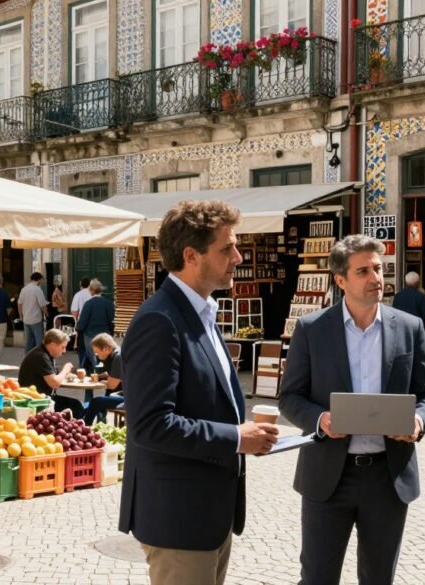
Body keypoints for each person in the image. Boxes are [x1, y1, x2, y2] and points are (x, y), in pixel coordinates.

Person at [119, 200, 278, 585]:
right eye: (227, 248)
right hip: (179, 521)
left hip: (209, 516)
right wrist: (236, 437)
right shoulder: (160, 319)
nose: (238, 257)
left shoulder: (201, 312)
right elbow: (151, 425)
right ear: (191, 255)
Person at [278, 234, 425, 585]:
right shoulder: (312, 329)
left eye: (379, 269)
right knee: (318, 577)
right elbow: (290, 397)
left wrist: (417, 421)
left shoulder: (409, 328)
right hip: (328, 477)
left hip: (388, 476)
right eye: (363, 271)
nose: (376, 278)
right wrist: (320, 420)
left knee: (379, 578)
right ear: (340, 280)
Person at [18, 328, 77, 415]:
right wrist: (65, 370)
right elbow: (54, 383)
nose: (64, 351)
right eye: (62, 347)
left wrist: (64, 376)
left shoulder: (45, 353)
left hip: (43, 398)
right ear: (53, 344)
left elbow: (52, 378)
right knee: (76, 407)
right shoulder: (41, 356)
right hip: (36, 403)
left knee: (76, 405)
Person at [82, 333, 124, 425]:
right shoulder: (114, 354)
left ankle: (85, 428)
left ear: (106, 349)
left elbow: (112, 385)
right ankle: (84, 424)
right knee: (84, 406)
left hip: (129, 399)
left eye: (97, 352)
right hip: (121, 394)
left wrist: (99, 381)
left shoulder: (118, 357)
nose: (96, 355)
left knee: (95, 402)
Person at [75, 279, 115, 371]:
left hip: (90, 335)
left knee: (94, 360)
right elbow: (111, 321)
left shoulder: (88, 304)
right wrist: (110, 333)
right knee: (105, 358)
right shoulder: (108, 303)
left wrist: (78, 330)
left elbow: (82, 323)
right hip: (105, 335)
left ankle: (95, 376)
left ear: (91, 290)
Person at [18, 272, 49, 353]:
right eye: (41, 280)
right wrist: (47, 314)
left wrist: (21, 316)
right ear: (38, 279)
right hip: (36, 320)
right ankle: (40, 358)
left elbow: (19, 303)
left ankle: (27, 359)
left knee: (28, 342)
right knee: (39, 341)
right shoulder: (38, 290)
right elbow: (42, 305)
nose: (41, 282)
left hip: (26, 319)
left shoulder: (24, 289)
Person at [70, 277, 92, 364]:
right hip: (93, 324)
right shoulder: (92, 294)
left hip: (82, 324)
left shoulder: (78, 295)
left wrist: (75, 325)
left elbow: (74, 312)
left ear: (80, 285)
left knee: (82, 348)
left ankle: (83, 367)